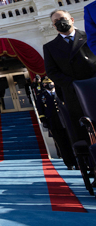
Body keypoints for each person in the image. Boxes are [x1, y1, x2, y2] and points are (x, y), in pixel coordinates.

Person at [43, 9, 96, 141]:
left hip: (94, 87)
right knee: (85, 133)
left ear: (71, 20)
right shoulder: (50, 47)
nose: (60, 23)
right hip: (74, 94)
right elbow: (52, 71)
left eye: (63, 18)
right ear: (54, 26)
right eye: (56, 22)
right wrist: (73, 84)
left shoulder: (90, 37)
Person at [34, 79, 77, 169]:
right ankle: (69, 163)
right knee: (61, 144)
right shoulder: (41, 95)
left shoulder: (60, 92)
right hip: (53, 122)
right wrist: (44, 121)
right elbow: (40, 109)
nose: (49, 85)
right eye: (46, 84)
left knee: (72, 142)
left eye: (50, 83)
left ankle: (78, 162)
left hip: (66, 121)